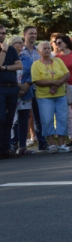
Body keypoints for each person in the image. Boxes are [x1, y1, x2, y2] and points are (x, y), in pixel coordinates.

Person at [31, 42, 70, 153]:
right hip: (44, 97)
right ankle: (52, 144)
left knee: (62, 119)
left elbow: (67, 74)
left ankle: (61, 144)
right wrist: (53, 82)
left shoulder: (58, 61)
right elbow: (36, 80)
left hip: (60, 95)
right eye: (44, 49)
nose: (47, 50)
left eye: (49, 48)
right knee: (47, 120)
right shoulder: (36, 65)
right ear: (39, 52)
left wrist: (59, 82)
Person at [18, 26, 46, 151]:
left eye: (35, 33)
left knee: (39, 116)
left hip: (39, 88)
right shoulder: (19, 50)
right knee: (22, 117)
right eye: (31, 33)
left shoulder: (38, 50)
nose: (34, 36)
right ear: (24, 34)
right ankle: (20, 145)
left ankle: (42, 142)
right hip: (24, 89)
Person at [0, 26, 22, 159]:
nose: (2, 35)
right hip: (0, 88)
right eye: (0, 33)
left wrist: (6, 67)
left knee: (9, 120)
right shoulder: (5, 49)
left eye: (4, 33)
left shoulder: (11, 49)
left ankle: (5, 149)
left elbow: (19, 65)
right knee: (1, 118)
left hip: (12, 88)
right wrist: (3, 51)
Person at [10, 36, 34, 155]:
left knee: (24, 120)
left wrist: (26, 85)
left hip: (25, 92)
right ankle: (13, 146)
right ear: (12, 45)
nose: (22, 44)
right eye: (18, 43)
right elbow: (6, 75)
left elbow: (31, 73)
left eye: (21, 42)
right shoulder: (7, 59)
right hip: (12, 92)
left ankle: (23, 146)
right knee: (13, 121)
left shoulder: (26, 59)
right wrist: (18, 86)